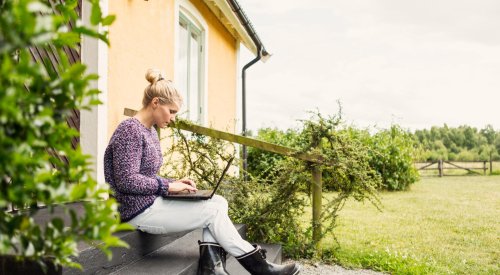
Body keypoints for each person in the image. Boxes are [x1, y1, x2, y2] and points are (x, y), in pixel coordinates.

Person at [104, 69, 301, 275]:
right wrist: (169, 186)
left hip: (149, 202)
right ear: (155, 103)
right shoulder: (130, 130)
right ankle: (261, 268)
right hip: (134, 212)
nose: (172, 118)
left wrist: (175, 183)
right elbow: (126, 180)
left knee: (219, 202)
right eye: (171, 111)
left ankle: (212, 268)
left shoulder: (150, 131)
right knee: (213, 212)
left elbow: (146, 175)